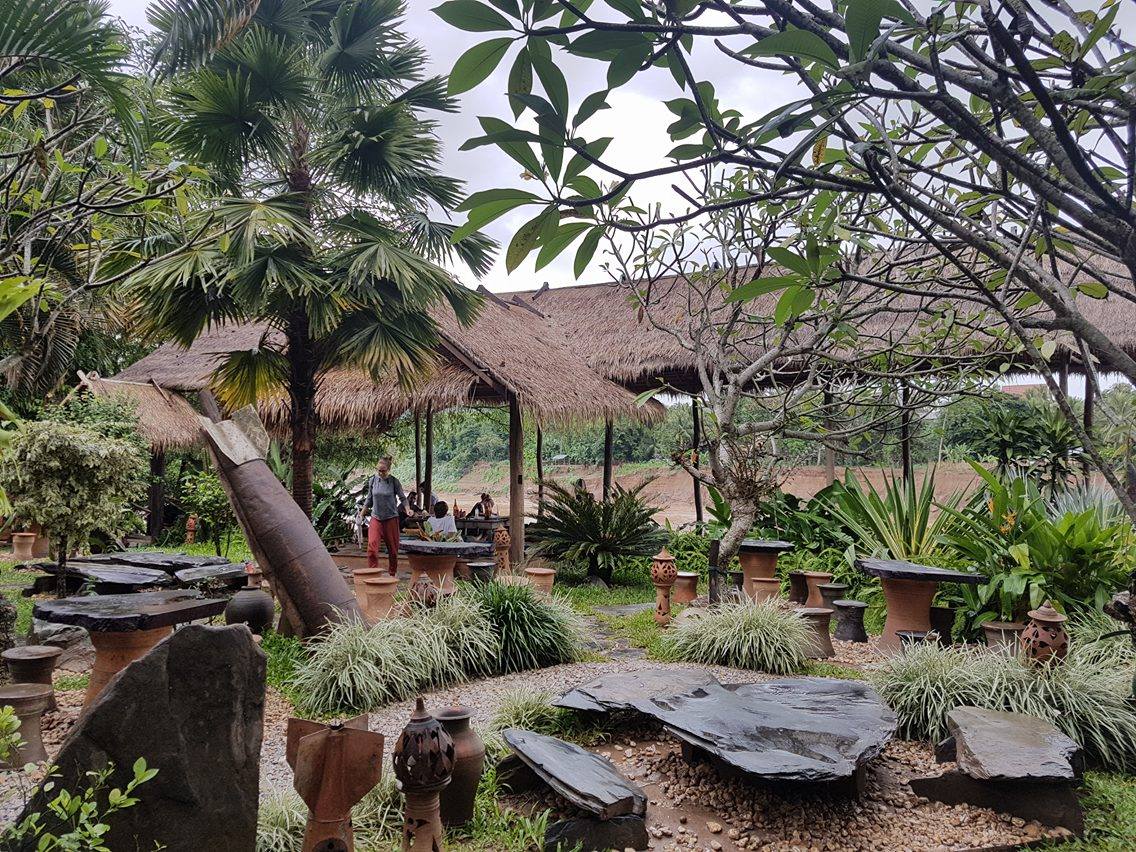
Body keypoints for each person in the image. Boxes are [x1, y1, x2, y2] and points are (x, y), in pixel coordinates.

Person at [360, 456, 405, 576]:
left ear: (388, 470)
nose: (380, 473)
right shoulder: (373, 480)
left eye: (383, 471)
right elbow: (369, 499)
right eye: (378, 470)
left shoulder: (394, 482)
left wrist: (408, 509)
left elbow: (403, 498)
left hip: (391, 518)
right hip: (376, 518)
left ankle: (392, 573)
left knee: (393, 550)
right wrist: (361, 514)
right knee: (372, 548)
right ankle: (373, 573)